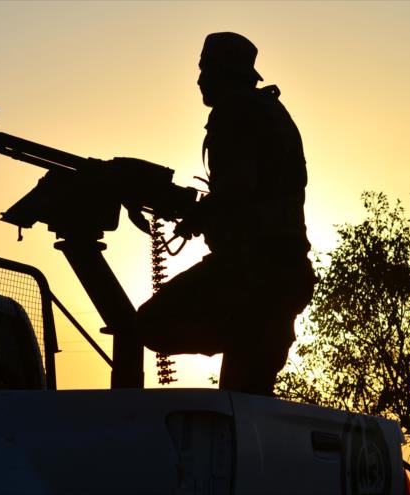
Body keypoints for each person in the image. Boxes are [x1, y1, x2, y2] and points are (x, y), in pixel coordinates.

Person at [135, 33, 316, 395]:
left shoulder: (236, 111)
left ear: (224, 73)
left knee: (150, 324)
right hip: (279, 274)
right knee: (243, 400)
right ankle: (251, 336)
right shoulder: (267, 110)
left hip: (253, 272)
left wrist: (198, 216)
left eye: (206, 70)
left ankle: (249, 334)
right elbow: (254, 187)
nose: (199, 80)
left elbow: (239, 185)